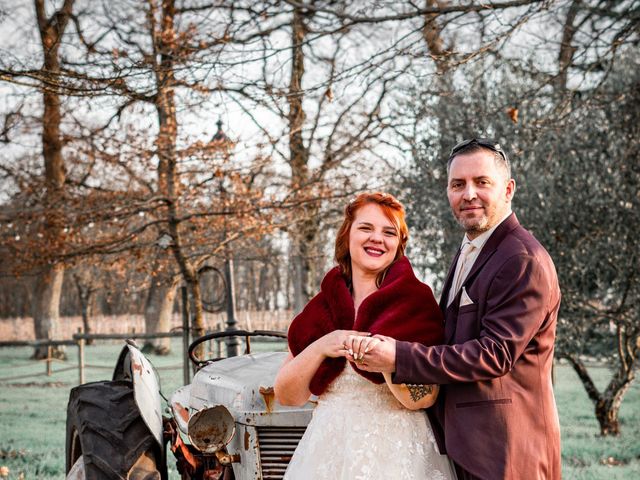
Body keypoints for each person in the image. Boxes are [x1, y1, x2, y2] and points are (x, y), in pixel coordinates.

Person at [355, 139, 562, 479]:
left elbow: (494, 354)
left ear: (508, 189)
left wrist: (400, 357)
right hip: (469, 445)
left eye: (482, 182)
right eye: (458, 184)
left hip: (506, 451)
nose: (469, 194)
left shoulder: (522, 258)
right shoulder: (473, 247)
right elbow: (452, 336)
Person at [274, 192, 456, 479]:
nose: (377, 239)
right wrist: (323, 345)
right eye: (366, 228)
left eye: (389, 232)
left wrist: (389, 362)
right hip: (328, 451)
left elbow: (425, 398)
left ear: (398, 245)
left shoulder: (416, 302)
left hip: (397, 451)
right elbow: (287, 395)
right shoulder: (322, 307)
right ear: (347, 236)